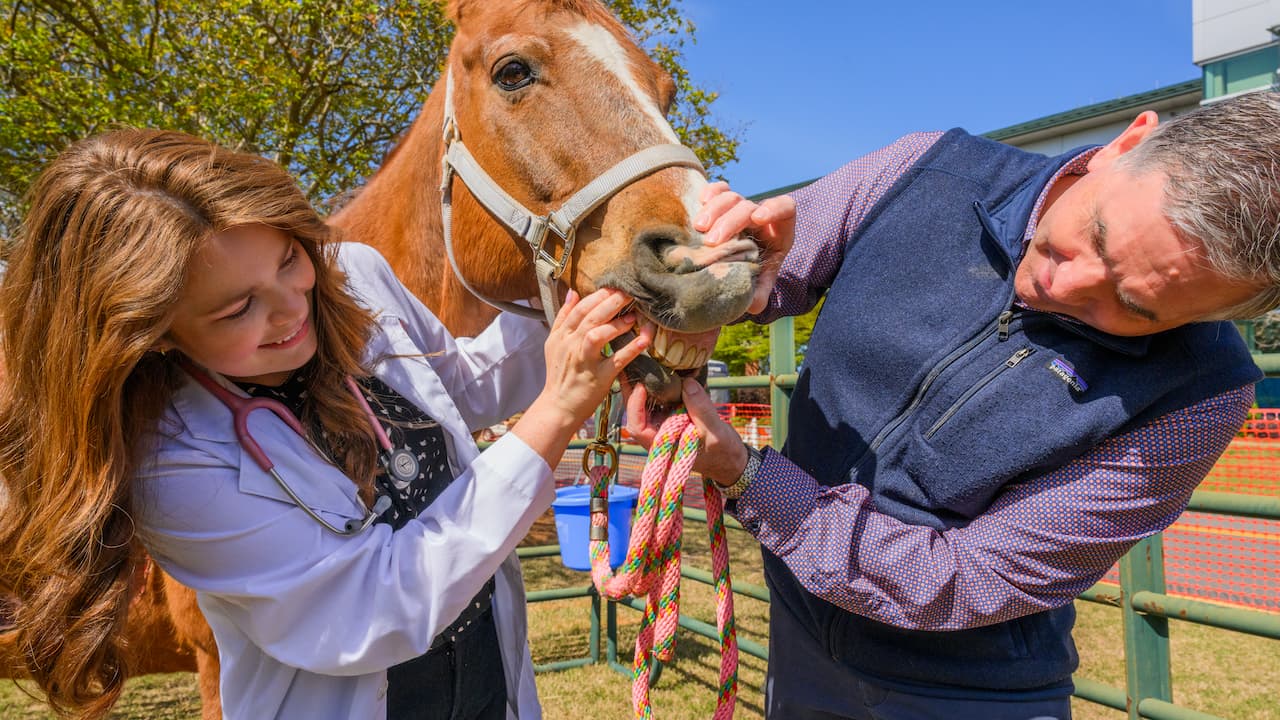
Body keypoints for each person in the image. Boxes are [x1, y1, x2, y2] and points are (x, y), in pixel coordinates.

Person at [627, 90, 1280, 719]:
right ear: (1127, 142)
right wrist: (723, 273)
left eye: (1133, 308)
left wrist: (748, 477)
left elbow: (967, 579)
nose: (1062, 282)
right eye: (1099, 233)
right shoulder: (924, 168)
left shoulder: (1200, 394)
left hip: (966, 692)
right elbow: (773, 262)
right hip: (799, 641)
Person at [0, 128, 650, 720]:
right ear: (156, 333)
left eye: (287, 260)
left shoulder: (352, 275)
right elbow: (368, 610)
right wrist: (558, 410)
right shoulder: (174, 462)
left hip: (485, 684)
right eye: (237, 309)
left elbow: (460, 383)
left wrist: (591, 302)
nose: (292, 313)